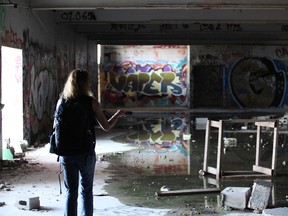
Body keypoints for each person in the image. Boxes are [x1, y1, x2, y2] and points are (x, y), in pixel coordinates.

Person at [57, 69, 125, 216]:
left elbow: (56, 128)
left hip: (66, 153)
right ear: (86, 83)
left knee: (71, 192)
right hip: (85, 153)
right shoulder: (91, 103)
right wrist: (118, 115)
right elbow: (106, 126)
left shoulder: (61, 101)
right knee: (86, 191)